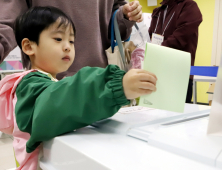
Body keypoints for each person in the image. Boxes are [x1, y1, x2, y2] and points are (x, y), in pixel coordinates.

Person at [0, 7, 157, 170]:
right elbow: (56, 103)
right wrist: (116, 86)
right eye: (58, 39)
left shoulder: (46, 80)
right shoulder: (30, 84)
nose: (67, 46)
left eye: (71, 41)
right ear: (28, 46)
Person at [0, 0, 143, 79]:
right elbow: (7, 22)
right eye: (58, 38)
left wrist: (125, 15)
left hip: (99, 81)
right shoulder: (34, 88)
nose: (68, 47)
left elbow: (112, 19)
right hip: (48, 82)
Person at [148, 0, 202, 103]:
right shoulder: (157, 12)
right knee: (154, 114)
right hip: (157, 75)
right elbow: (150, 36)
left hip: (178, 76)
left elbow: (182, 36)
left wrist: (155, 51)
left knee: (177, 116)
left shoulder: (189, 6)